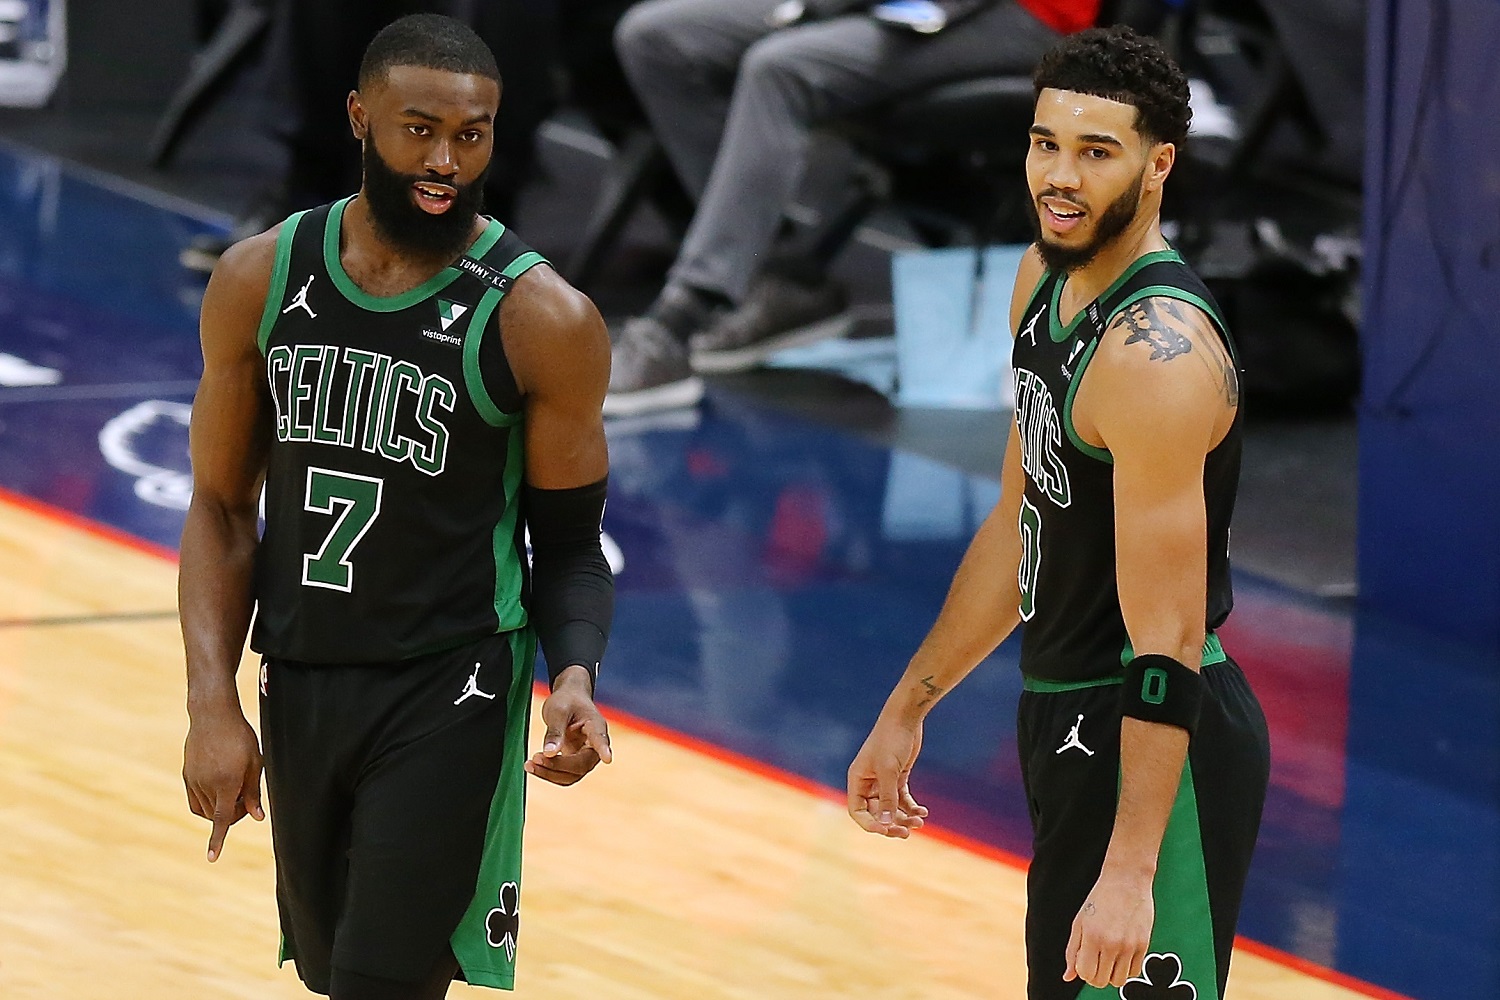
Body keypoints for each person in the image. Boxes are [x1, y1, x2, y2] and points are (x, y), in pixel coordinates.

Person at [178, 14, 614, 999]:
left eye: (472, 135)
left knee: (380, 978)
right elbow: (216, 505)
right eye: (419, 130)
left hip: (450, 679)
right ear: (359, 117)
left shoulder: (544, 319)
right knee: (334, 971)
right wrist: (213, 701)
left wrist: (576, 674)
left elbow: (572, 543)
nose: (445, 161)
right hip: (302, 668)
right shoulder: (262, 277)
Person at [846, 25, 1270, 999]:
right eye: (1046, 144)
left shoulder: (1154, 356)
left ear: (1159, 165)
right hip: (1064, 717)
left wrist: (1131, 872)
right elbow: (1018, 521)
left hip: (1157, 740)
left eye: (1095, 150)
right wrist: (910, 705)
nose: (1060, 176)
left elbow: (1165, 641)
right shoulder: (1043, 281)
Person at [603, 0, 1101, 417]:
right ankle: (773, 277)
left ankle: (680, 319)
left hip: (1022, 12)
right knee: (658, 38)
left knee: (781, 69)